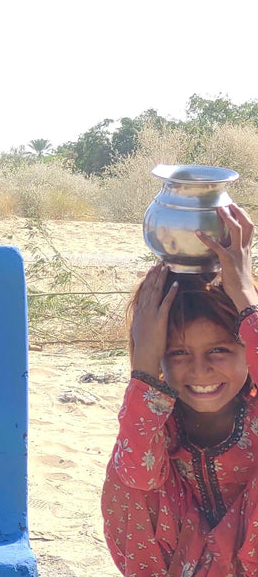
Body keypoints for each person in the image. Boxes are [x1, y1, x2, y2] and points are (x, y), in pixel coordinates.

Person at [102, 204, 258, 575]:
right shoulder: (159, 422)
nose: (200, 370)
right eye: (178, 353)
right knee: (129, 481)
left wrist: (247, 300)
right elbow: (136, 478)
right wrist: (144, 368)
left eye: (220, 350)